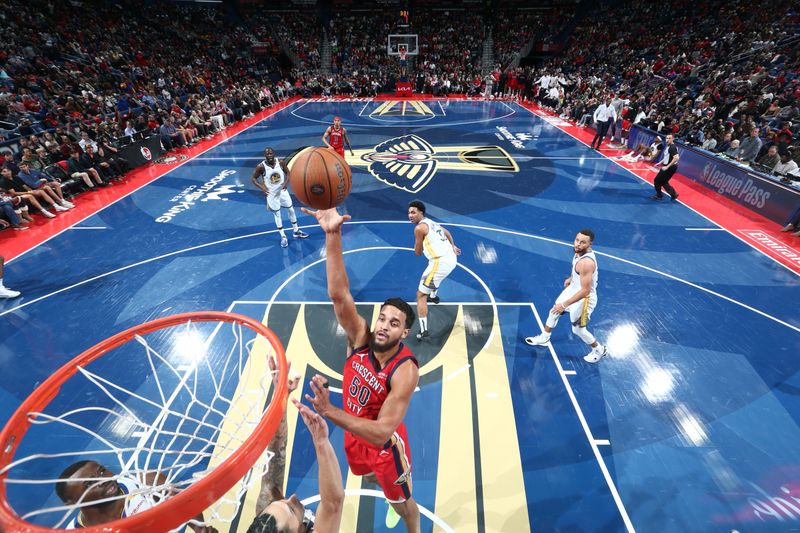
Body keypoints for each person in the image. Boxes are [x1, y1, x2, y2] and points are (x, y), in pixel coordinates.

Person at [299, 207, 422, 533]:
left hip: (386, 448)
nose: (383, 326)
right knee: (363, 473)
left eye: (394, 323)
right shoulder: (361, 339)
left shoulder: (405, 370)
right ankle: (380, 484)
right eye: (383, 318)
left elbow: (382, 432)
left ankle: (403, 514)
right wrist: (332, 235)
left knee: (405, 505)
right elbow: (339, 295)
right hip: (355, 439)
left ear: (404, 333)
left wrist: (329, 411)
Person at [247, 358, 344, 533]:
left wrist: (281, 396)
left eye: (279, 502)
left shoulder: (267, 525)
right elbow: (333, 503)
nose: (291, 498)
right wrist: (321, 442)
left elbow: (276, 451)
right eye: (291, 509)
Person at [55, 461, 216, 532]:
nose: (104, 480)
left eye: (102, 471)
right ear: (73, 503)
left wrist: (200, 529)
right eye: (90, 484)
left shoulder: (146, 481)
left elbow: (185, 504)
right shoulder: (75, 531)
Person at [524, 229, 608, 363]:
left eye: (583, 242)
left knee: (578, 330)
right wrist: (571, 277)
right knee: (554, 311)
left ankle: (599, 349)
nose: (578, 244)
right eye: (577, 240)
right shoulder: (578, 253)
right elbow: (577, 269)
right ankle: (545, 337)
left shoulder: (586, 263)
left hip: (584, 298)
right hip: (575, 288)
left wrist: (564, 305)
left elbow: (585, 290)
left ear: (590, 244)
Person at [407, 200, 460, 340]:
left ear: (421, 213)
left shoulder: (419, 229)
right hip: (451, 258)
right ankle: (433, 296)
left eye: (413, 212)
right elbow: (447, 232)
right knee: (432, 278)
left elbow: (418, 253)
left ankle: (424, 331)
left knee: (420, 295)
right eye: (409, 213)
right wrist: (453, 247)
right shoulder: (431, 222)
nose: (410, 215)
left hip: (440, 263)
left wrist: (417, 243)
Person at [251, 148, 309, 248]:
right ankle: (283, 236)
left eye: (271, 153)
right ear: (265, 156)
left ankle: (296, 231)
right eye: (267, 153)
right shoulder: (261, 167)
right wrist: (262, 187)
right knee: (277, 214)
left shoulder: (281, 162)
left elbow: (288, 173)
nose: (269, 155)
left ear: (274, 154)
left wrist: (286, 183)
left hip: (282, 191)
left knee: (291, 209)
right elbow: (253, 178)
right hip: (271, 194)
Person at [649, 134, 680, 201]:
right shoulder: (669, 147)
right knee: (663, 181)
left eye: (669, 138)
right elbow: (667, 157)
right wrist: (660, 162)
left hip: (670, 167)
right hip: (669, 166)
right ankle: (673, 194)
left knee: (657, 181)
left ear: (673, 139)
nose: (667, 140)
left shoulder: (672, 147)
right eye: (666, 138)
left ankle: (659, 195)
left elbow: (676, 158)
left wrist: (667, 167)